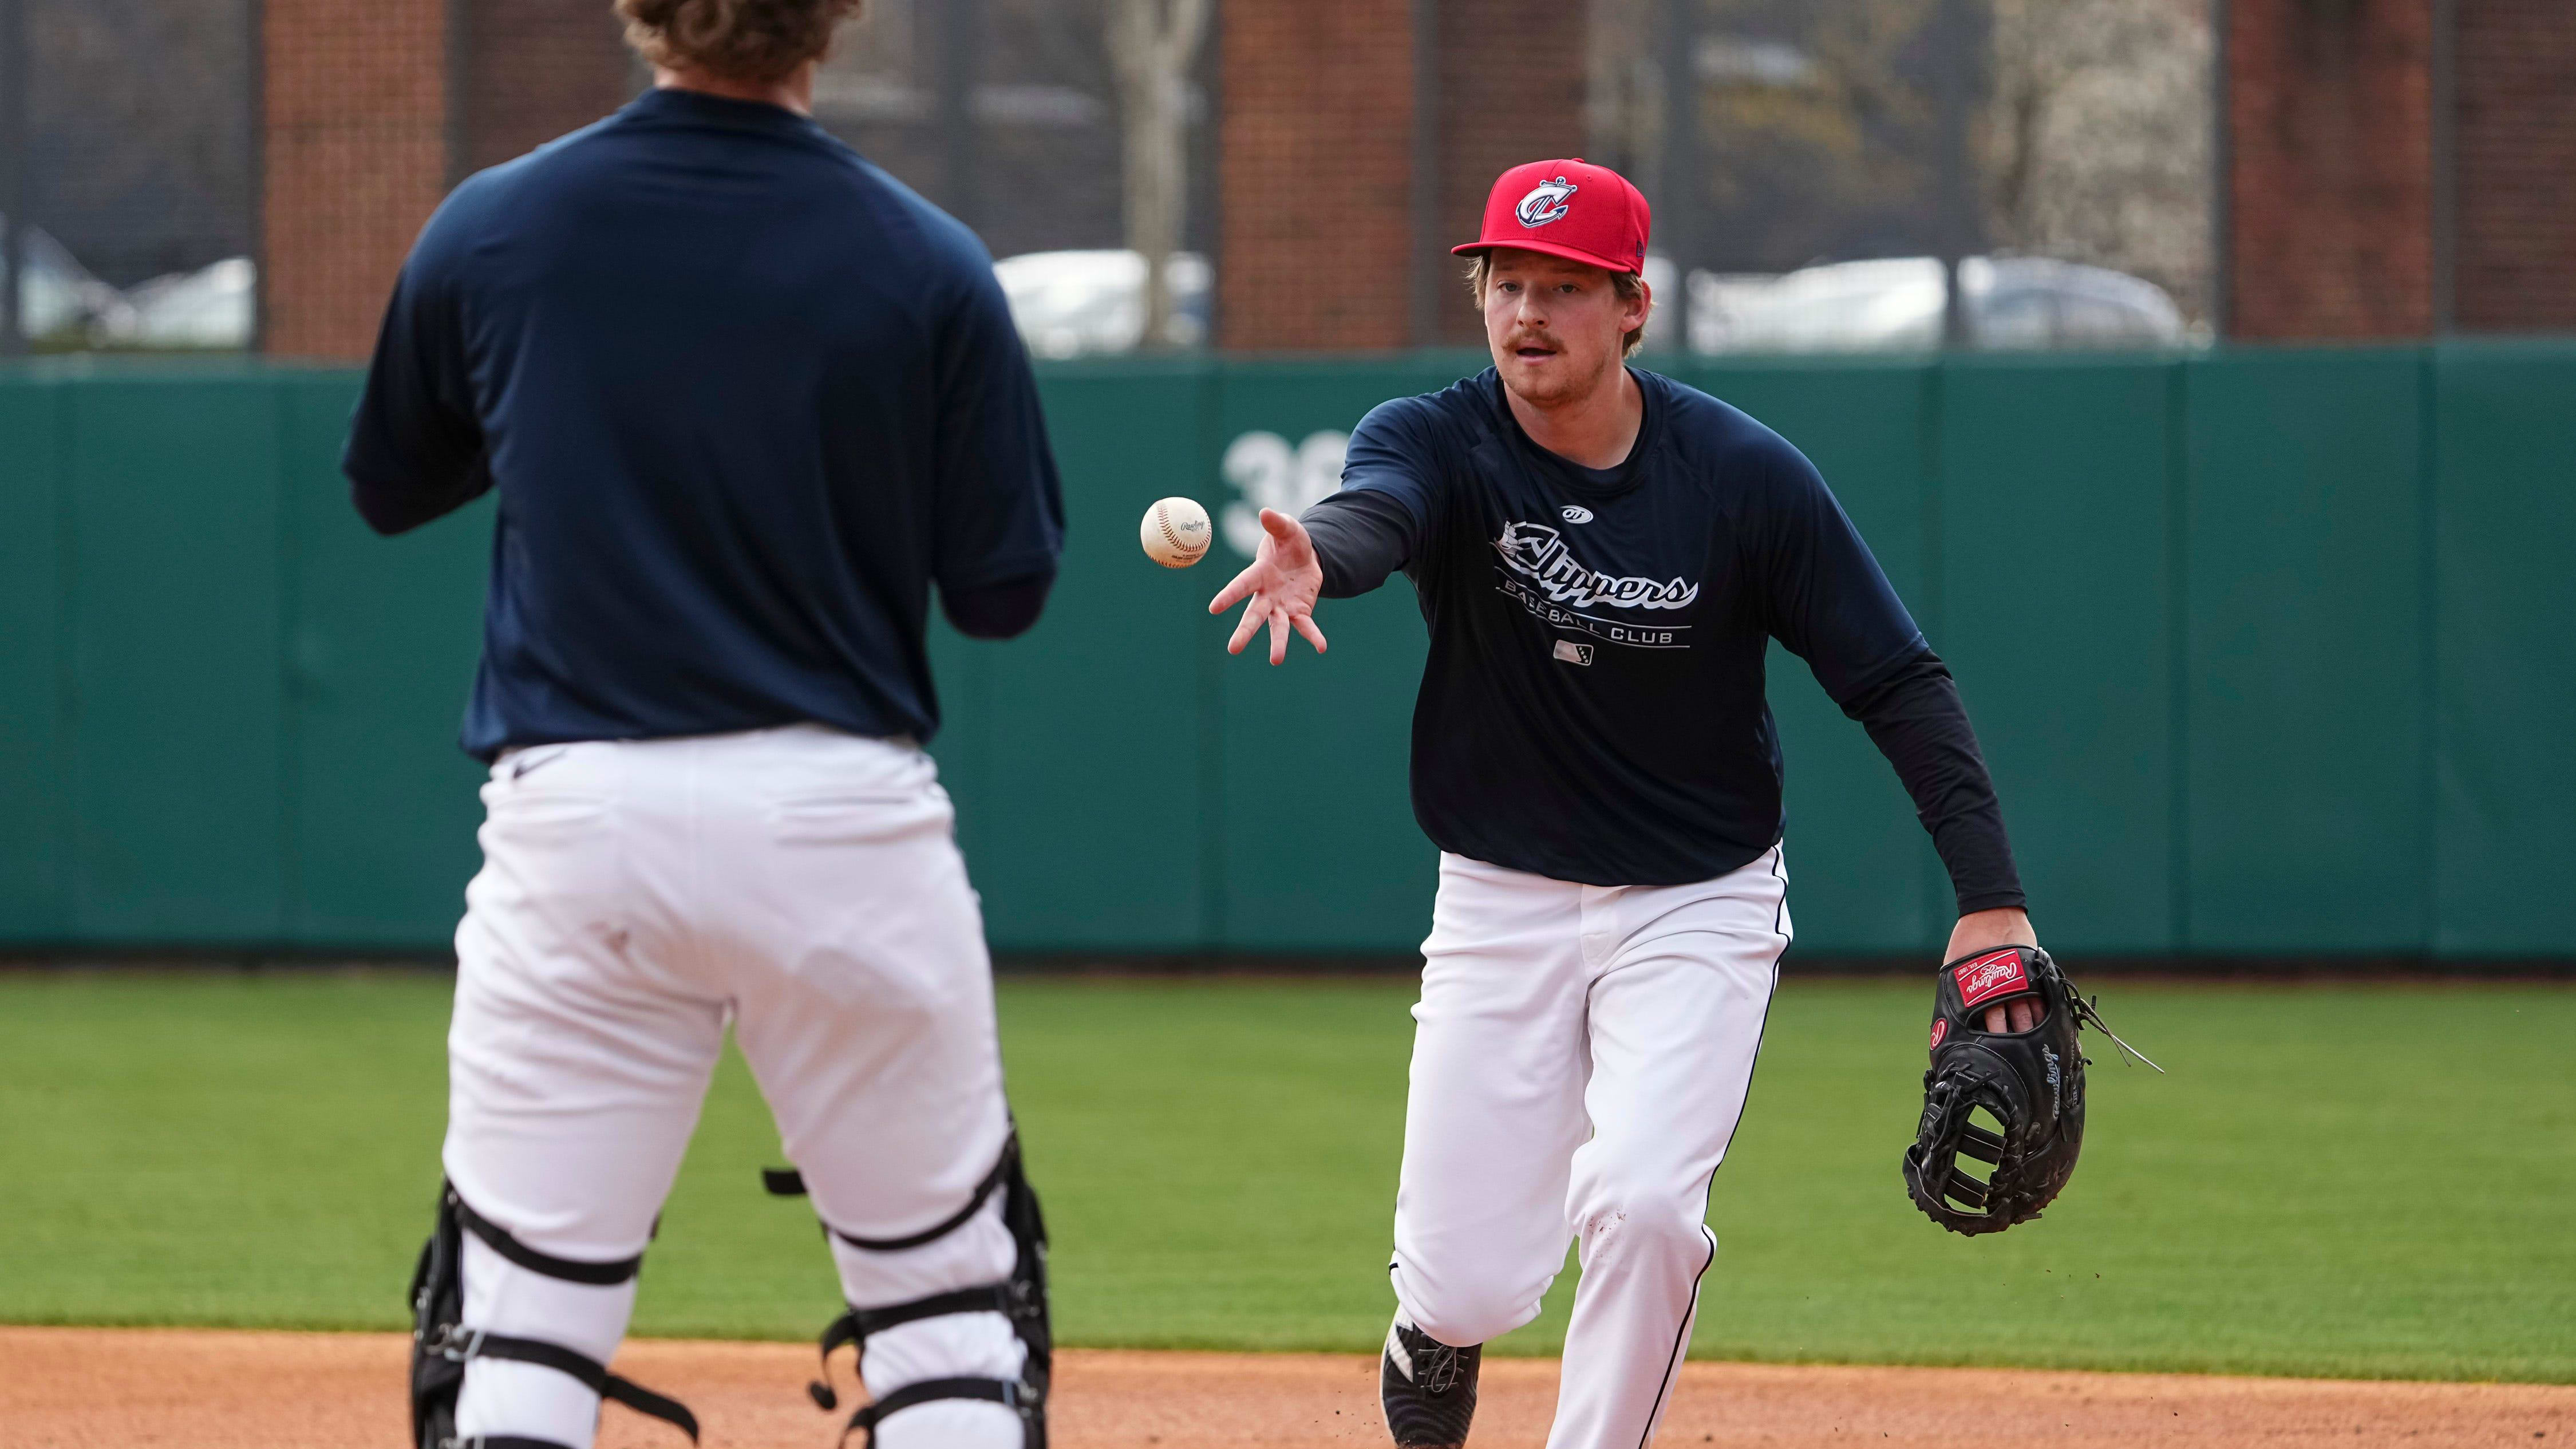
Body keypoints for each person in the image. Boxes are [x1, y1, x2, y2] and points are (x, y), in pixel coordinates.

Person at [1208, 159, 2037, 1449]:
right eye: (1506, 283)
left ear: (1633, 307)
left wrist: (1991, 900)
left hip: (1696, 900)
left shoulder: (1744, 479)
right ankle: (1433, 1328)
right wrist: (1329, 551)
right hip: (1500, 897)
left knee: (1648, 1208)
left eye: (1564, 289)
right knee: (1470, 1281)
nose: (1527, 313)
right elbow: (1381, 512)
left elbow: (1898, 681)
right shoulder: (1437, 438)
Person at [342, 2, 1065, 1446]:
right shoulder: (925, 258)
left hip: (580, 817)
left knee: (524, 1319)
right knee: (943, 1313)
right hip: (838, 823)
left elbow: (391, 483)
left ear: (639, 12)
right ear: (836, 20)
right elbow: (1003, 593)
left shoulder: (498, 228)